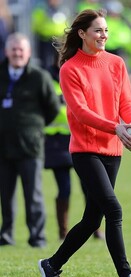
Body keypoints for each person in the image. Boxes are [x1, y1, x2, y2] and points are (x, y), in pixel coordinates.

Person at [38, 9, 131, 277]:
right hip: (85, 150)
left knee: (93, 219)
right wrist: (114, 127)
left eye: (106, 31)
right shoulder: (70, 69)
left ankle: (52, 264)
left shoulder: (116, 63)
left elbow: (126, 102)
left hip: (114, 150)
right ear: (82, 34)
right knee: (114, 210)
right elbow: (80, 112)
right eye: (98, 31)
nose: (104, 35)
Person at [0, 32, 60, 247]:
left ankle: (37, 236)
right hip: (3, 145)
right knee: (5, 195)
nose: (17, 53)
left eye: (21, 50)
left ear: (28, 53)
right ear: (7, 51)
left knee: (33, 194)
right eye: (13, 49)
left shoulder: (39, 77)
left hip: (30, 145)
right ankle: (5, 235)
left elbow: (52, 108)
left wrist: (34, 128)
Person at [44, 54, 104, 240]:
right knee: (65, 188)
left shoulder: (79, 76)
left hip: (79, 139)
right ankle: (63, 232)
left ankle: (95, 228)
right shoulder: (47, 80)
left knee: (89, 187)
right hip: (56, 143)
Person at [31, 0, 70, 69]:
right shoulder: (41, 9)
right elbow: (36, 24)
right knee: (44, 62)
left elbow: (66, 24)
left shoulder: (63, 9)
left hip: (59, 39)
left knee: (59, 62)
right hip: (45, 39)